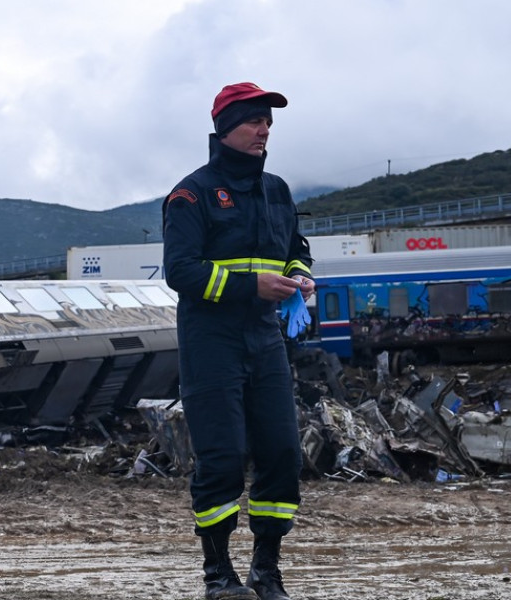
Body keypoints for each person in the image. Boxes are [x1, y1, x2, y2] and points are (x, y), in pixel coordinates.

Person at [162, 82, 314, 600]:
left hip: (265, 337)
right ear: (226, 128)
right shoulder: (191, 194)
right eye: (254, 121)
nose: (264, 130)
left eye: (269, 122)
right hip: (211, 340)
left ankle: (266, 572)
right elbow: (180, 271)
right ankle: (219, 575)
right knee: (222, 458)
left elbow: (296, 247)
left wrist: (300, 277)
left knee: (282, 455)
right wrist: (253, 286)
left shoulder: (277, 190)